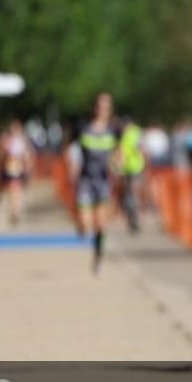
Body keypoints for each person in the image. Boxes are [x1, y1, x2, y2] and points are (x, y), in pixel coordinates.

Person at [71, 93, 118, 274]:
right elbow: (70, 146)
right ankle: (80, 224)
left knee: (100, 226)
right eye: (99, 107)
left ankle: (98, 257)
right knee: (86, 225)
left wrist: (118, 163)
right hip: (85, 180)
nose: (102, 111)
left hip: (103, 182)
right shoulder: (84, 129)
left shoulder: (114, 130)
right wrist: (72, 164)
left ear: (110, 109)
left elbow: (119, 152)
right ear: (94, 108)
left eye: (106, 107)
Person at [0, 120, 34, 225]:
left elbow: (27, 156)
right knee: (14, 191)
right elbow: (3, 154)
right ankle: (15, 209)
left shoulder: (21, 141)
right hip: (11, 169)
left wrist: (28, 166)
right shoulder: (10, 141)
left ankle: (15, 209)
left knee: (15, 190)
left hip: (17, 169)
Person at [118, 116, 145, 234]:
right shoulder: (133, 133)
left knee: (132, 194)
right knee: (130, 194)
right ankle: (132, 217)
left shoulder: (130, 134)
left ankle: (134, 217)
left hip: (135, 168)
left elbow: (139, 149)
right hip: (130, 169)